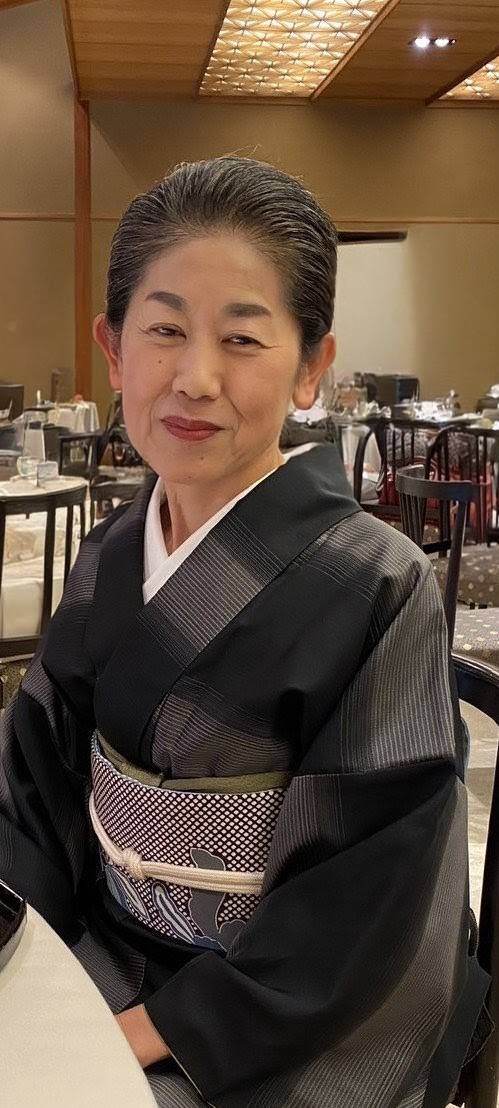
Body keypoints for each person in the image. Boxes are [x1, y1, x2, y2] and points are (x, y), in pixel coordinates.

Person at [0, 158, 489, 1107]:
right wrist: (33, 964)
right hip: (101, 951)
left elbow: (369, 894)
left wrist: (157, 1031)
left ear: (311, 367)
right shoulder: (107, 561)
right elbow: (35, 789)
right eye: (166, 330)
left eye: (242, 339)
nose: (196, 377)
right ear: (113, 350)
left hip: (281, 1012)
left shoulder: (377, 583)